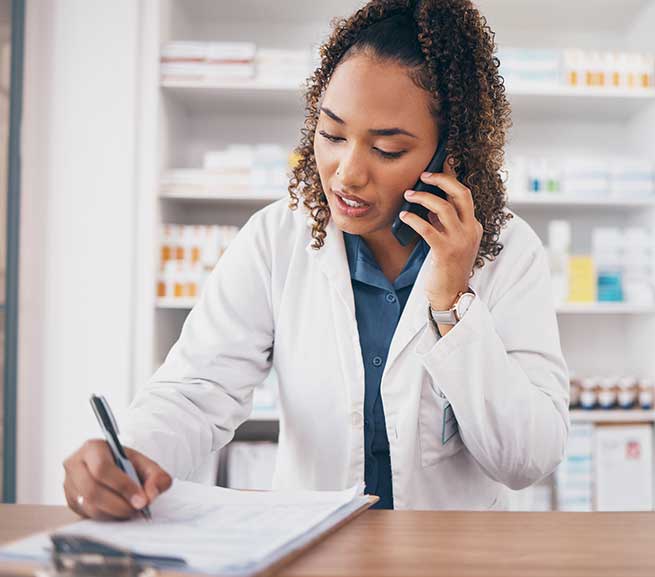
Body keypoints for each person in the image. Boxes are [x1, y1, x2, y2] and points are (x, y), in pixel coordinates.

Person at [62, 0, 569, 519]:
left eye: (388, 150)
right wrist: (132, 453)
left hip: (451, 554)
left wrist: (455, 301)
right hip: (313, 550)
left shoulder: (508, 252)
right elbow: (198, 391)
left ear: (449, 155)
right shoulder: (276, 238)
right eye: (332, 135)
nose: (346, 173)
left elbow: (528, 459)